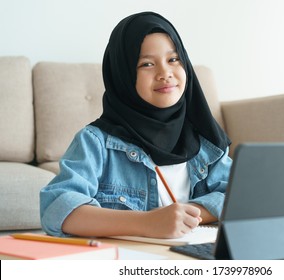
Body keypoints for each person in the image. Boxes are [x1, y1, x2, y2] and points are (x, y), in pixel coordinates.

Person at [40, 11, 232, 239]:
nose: (165, 73)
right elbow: (57, 209)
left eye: (173, 59)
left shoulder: (206, 142)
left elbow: (235, 194)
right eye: (147, 64)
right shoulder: (95, 142)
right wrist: (148, 222)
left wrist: (185, 216)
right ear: (123, 75)